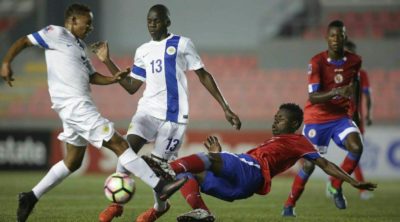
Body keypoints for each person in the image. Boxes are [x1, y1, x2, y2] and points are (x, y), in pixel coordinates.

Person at [0, 4, 187, 222]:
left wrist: (113, 79)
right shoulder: (56, 33)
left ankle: (30, 196)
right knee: (120, 144)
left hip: (75, 107)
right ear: (72, 21)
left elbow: (92, 77)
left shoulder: (79, 47)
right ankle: (160, 185)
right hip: (75, 106)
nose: (90, 27)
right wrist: (6, 62)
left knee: (73, 161)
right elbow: (24, 40)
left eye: (91, 23)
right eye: (86, 22)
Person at [91, 4, 241, 222]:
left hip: (174, 118)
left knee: (161, 167)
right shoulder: (143, 50)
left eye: (157, 20)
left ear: (167, 22)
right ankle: (116, 205)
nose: (152, 25)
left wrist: (226, 107)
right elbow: (132, 86)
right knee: (126, 148)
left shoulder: (182, 44)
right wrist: (106, 61)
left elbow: (204, 75)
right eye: (149, 21)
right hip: (147, 111)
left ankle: (159, 208)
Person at [141, 103, 376, 221]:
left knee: (201, 160)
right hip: (240, 187)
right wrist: (220, 157)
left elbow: (325, 164)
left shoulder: (298, 140)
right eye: (275, 118)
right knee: (187, 176)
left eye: (281, 119)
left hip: (251, 170)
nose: (275, 123)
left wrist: (352, 182)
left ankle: (165, 168)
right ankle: (202, 212)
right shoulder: (278, 139)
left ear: (294, 125)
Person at [282, 20, 364, 217]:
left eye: (340, 35)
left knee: (356, 146)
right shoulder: (317, 62)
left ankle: (335, 185)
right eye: (332, 35)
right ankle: (289, 204)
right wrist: (337, 91)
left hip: (340, 118)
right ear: (327, 38)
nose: (336, 39)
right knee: (309, 165)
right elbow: (313, 96)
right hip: (316, 118)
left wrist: (356, 112)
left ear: (345, 37)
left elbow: (356, 84)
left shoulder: (355, 60)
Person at [344, 40, 374, 200]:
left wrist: (369, 114)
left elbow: (368, 96)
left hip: (356, 119)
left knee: (354, 155)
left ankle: (333, 181)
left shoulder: (361, 74)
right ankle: (360, 189)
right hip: (339, 120)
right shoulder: (337, 73)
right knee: (353, 155)